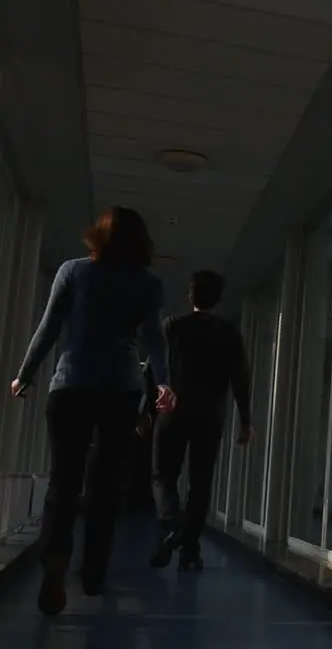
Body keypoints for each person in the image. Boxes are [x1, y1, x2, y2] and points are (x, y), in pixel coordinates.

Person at [9, 206, 175, 616]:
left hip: (71, 385)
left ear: (96, 236)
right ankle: (94, 571)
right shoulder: (148, 284)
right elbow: (154, 339)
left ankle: (54, 563)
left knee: (64, 481)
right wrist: (165, 383)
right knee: (105, 486)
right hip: (120, 390)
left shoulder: (73, 271)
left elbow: (48, 327)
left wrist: (24, 375)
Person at [150, 270, 252, 572]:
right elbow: (240, 379)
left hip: (173, 411)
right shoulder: (230, 333)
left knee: (162, 474)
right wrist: (245, 421)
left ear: (190, 295)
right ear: (218, 298)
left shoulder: (173, 327)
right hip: (210, 416)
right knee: (200, 483)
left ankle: (171, 523)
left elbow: (156, 370)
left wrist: (147, 406)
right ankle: (191, 551)